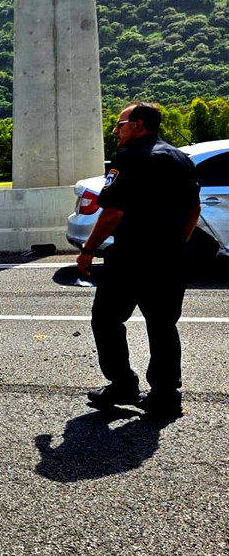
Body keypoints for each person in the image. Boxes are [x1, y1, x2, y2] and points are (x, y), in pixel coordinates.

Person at [78, 102, 200, 418]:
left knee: (106, 319)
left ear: (139, 125)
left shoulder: (128, 159)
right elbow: (193, 212)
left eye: (120, 124)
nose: (116, 130)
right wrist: (175, 244)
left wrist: (88, 249)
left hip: (132, 257)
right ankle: (166, 395)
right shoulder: (180, 159)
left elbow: (114, 211)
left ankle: (122, 384)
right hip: (171, 257)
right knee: (162, 325)